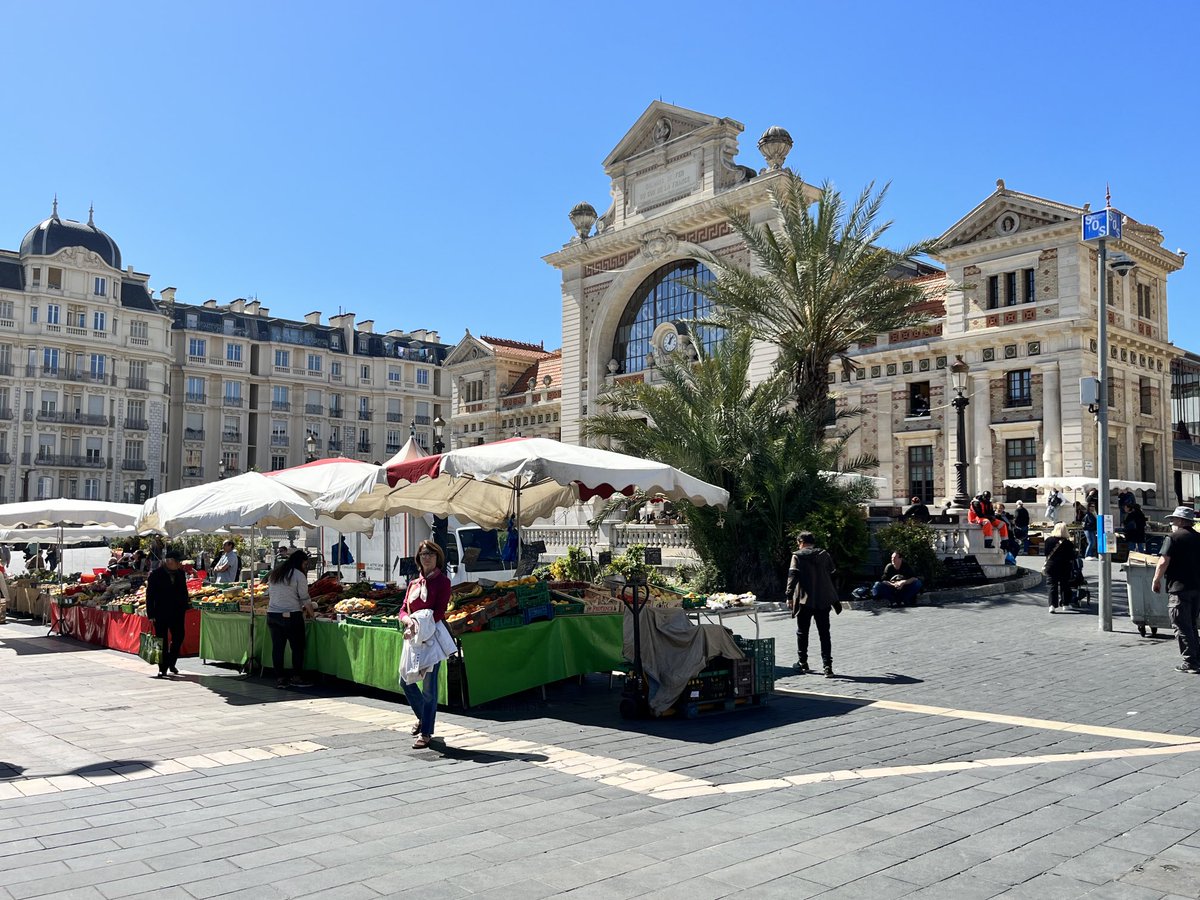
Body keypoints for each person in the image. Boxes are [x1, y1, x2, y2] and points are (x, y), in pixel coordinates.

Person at [402, 540, 451, 748]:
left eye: (430, 553)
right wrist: (407, 620)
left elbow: (439, 612)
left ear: (437, 557)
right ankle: (424, 717)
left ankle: (426, 732)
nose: (427, 557)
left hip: (430, 638)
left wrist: (419, 621)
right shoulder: (414, 583)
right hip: (413, 639)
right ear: (418, 558)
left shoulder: (443, 582)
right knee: (405, 681)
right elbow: (403, 608)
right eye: (423, 554)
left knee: (430, 689)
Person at [786, 532, 840, 678]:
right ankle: (827, 666)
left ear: (801, 542)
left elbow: (793, 576)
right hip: (823, 599)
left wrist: (789, 596)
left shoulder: (797, 556)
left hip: (805, 600)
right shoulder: (824, 555)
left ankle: (803, 662)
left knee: (802, 632)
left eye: (798, 543)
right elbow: (833, 573)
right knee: (824, 633)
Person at [1153, 507, 1200, 674]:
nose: (1170, 523)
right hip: (1196, 587)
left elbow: (1163, 561)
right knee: (1192, 624)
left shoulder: (1173, 538)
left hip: (1178, 588)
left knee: (1180, 624)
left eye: (1172, 520)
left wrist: (1156, 580)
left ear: (1180, 521)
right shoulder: (1198, 537)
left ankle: (1190, 662)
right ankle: (1196, 658)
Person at [267, 549, 315, 689]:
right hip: (291, 615)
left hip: (272, 615)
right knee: (297, 647)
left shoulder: (275, 573)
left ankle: (280, 678)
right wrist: (312, 614)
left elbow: (269, 593)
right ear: (301, 562)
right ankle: (296, 677)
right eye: (305, 563)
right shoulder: (298, 575)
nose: (306, 566)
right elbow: (305, 598)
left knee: (278, 648)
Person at [145, 549, 191, 677]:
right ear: (170, 562)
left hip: (177, 612)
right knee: (162, 640)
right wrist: (151, 614)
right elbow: (150, 595)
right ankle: (163, 667)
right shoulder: (156, 574)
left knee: (179, 636)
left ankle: (171, 661)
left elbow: (184, 592)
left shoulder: (180, 574)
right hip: (161, 613)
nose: (180, 564)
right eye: (178, 562)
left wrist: (185, 606)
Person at [1043, 522, 1078, 613]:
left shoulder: (1048, 541)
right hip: (1064, 566)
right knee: (1065, 585)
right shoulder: (1068, 543)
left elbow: (1046, 553)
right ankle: (1065, 604)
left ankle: (1052, 605)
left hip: (1051, 566)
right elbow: (1072, 556)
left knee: (1052, 585)